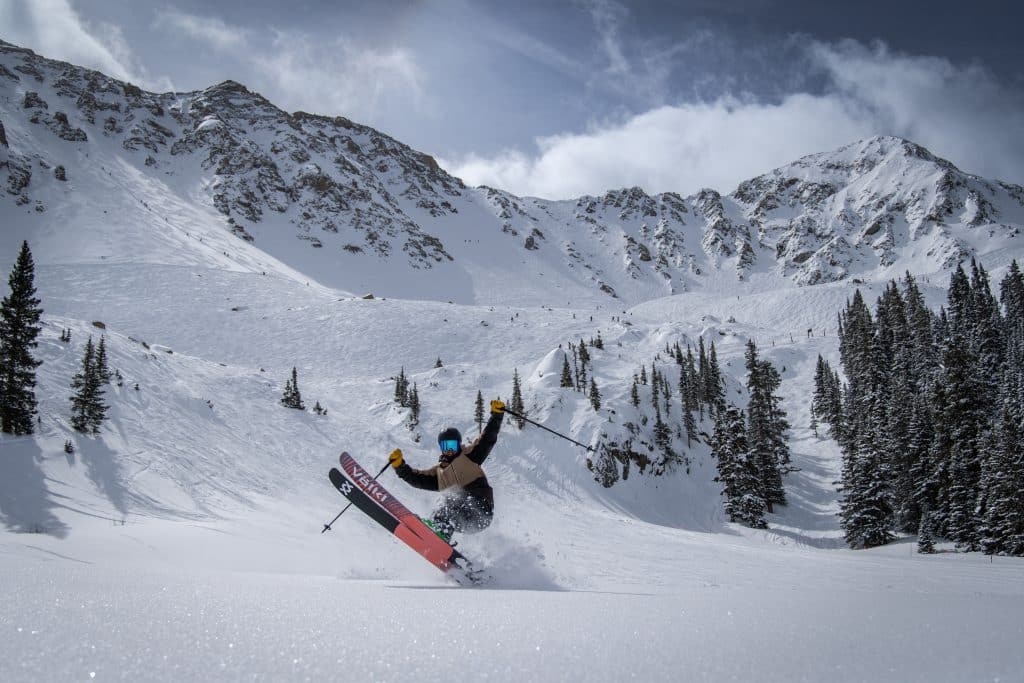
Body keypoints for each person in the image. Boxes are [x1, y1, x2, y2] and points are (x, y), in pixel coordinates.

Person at [388, 399, 505, 540]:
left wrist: (497, 416)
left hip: (481, 510)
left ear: (458, 444)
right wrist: (400, 467)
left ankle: (440, 532)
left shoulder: (470, 455)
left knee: (450, 500)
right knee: (442, 509)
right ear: (441, 447)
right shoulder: (439, 474)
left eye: (452, 445)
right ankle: (436, 537)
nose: (449, 450)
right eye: (445, 446)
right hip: (465, 521)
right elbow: (416, 479)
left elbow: (487, 438)